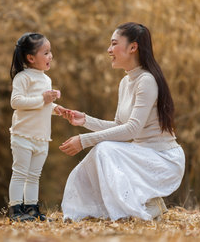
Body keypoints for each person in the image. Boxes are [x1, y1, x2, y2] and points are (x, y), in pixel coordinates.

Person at [59, 22, 185, 221]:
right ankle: (148, 204)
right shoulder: (126, 82)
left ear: (133, 47)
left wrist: (84, 140)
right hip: (141, 156)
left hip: (163, 160)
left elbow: (132, 130)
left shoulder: (146, 80)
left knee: (105, 150)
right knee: (103, 151)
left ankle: (137, 206)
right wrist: (85, 120)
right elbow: (120, 126)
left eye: (114, 43)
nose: (109, 50)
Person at [8, 32, 63, 222]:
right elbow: (16, 102)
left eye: (50, 52)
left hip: (42, 137)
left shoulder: (46, 79)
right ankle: (16, 210)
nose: (51, 56)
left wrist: (58, 109)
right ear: (31, 57)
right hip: (23, 135)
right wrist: (43, 99)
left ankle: (31, 209)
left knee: (34, 176)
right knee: (20, 173)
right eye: (46, 53)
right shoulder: (23, 78)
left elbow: (43, 105)